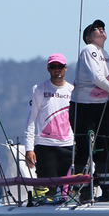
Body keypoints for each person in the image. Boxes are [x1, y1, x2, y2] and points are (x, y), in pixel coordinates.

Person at [70, 19, 109, 201]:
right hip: (84, 107)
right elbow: (96, 77)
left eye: (102, 27)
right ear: (88, 37)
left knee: (105, 147)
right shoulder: (89, 50)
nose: (101, 29)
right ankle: (82, 190)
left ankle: (108, 190)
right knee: (84, 148)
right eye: (96, 28)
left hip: (101, 106)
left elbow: (108, 77)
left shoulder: (105, 54)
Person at [23, 53, 75, 200]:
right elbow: (30, 120)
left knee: (71, 192)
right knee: (47, 193)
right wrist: (29, 149)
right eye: (53, 67)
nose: (57, 70)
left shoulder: (72, 90)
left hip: (68, 146)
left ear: (66, 68)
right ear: (48, 69)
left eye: (60, 66)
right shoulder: (38, 89)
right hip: (45, 147)